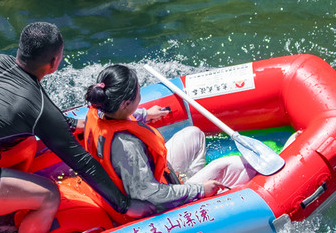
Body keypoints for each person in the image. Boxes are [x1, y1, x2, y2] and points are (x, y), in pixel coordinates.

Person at [0, 22, 153, 233]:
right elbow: (82, 163)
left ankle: (6, 208)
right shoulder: (37, 107)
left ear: (21, 49)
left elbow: (44, 120)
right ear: (54, 62)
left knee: (27, 142)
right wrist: (123, 205)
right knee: (50, 196)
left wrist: (84, 123)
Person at [83, 64, 254, 214]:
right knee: (236, 166)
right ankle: (197, 197)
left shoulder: (99, 109)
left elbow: (121, 116)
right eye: (138, 92)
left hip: (152, 179)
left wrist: (145, 114)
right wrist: (199, 189)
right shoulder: (127, 147)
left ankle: (188, 185)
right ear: (125, 104)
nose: (140, 94)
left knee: (193, 134)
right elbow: (148, 195)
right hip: (152, 202)